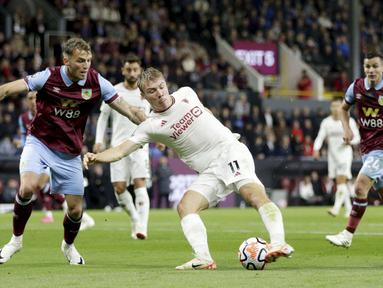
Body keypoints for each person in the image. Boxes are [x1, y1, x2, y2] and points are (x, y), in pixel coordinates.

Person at [83, 67, 294, 270]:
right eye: (152, 91)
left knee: (252, 195)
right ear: (143, 97)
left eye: (161, 87)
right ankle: (203, 258)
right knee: (185, 207)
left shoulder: (186, 92)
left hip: (229, 152)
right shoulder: (151, 127)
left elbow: (206, 111)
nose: (160, 94)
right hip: (210, 170)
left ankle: (278, 243)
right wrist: (97, 157)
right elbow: (120, 150)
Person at [0, 37, 146, 265]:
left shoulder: (97, 82)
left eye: (88, 60)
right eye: (80, 61)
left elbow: (129, 110)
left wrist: (153, 124)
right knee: (27, 187)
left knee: (76, 211)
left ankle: (68, 246)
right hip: (40, 142)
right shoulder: (49, 76)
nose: (86, 65)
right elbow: (8, 89)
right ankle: (15, 241)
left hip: (69, 151)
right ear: (66, 60)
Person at [326, 51, 383, 248]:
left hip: (381, 148)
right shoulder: (357, 87)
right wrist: (347, 128)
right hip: (367, 149)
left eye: (375, 66)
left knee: (359, 186)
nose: (371, 70)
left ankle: (347, 235)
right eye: (368, 66)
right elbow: (343, 108)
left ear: (382, 67)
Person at [18, 91, 96, 229]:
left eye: (35, 97)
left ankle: (53, 213)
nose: (33, 101)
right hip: (35, 154)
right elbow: (25, 136)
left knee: (41, 185)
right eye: (30, 98)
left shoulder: (50, 110)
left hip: (56, 154)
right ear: (26, 101)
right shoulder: (23, 118)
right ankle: (72, 215)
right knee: (42, 187)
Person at [94, 54, 151, 239]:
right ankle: (135, 218)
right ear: (122, 70)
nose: (132, 73)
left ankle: (142, 226)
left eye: (135, 69)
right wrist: (99, 140)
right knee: (119, 188)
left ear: (140, 70)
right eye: (129, 69)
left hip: (140, 144)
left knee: (139, 183)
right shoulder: (114, 91)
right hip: (118, 146)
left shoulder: (147, 92)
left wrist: (160, 138)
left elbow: (155, 118)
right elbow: (103, 117)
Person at [313, 98, 360, 217]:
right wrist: (316, 149)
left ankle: (336, 208)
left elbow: (358, 137)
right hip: (332, 156)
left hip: (345, 153)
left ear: (342, 107)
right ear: (330, 108)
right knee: (341, 183)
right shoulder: (326, 122)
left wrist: (351, 142)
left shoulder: (349, 121)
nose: (335, 108)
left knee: (341, 180)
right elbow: (320, 137)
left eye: (338, 106)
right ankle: (349, 208)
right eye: (333, 106)